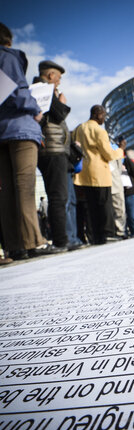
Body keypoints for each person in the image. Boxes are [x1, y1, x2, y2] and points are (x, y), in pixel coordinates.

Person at [0, 23, 51, 260]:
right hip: (20, 128)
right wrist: (35, 108)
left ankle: (14, 245)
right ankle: (34, 242)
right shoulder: (8, 57)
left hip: (1, 132)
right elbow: (18, 93)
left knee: (7, 191)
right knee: (25, 187)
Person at [34, 59, 71, 252]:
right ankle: (61, 241)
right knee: (58, 197)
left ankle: (62, 239)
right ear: (50, 75)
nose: (59, 82)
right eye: (58, 77)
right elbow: (58, 115)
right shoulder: (41, 90)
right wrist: (61, 102)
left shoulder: (45, 91)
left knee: (59, 196)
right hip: (52, 150)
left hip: (53, 149)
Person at [73, 105, 123, 244]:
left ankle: (96, 236)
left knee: (92, 207)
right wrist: (120, 150)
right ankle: (108, 233)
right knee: (104, 205)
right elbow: (108, 154)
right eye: (104, 115)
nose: (104, 118)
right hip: (99, 172)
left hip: (84, 173)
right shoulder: (99, 131)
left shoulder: (79, 129)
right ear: (97, 114)